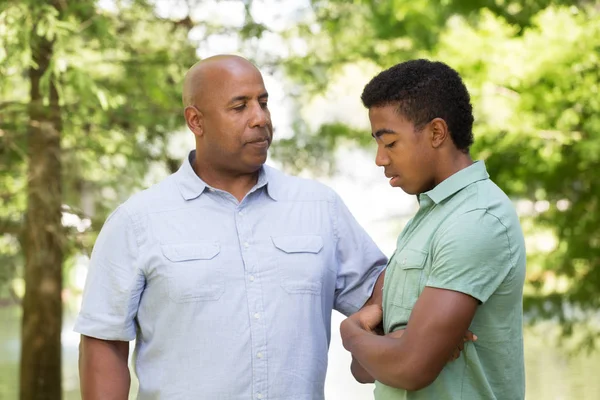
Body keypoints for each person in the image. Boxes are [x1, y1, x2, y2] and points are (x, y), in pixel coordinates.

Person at [74, 54, 388, 399]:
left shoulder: (319, 208)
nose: (260, 119)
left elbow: (383, 294)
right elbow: (104, 343)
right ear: (196, 121)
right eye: (239, 107)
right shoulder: (137, 221)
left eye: (263, 103)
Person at [340, 59, 526, 399]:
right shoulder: (425, 222)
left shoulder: (477, 218)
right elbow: (364, 369)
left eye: (390, 142)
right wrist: (389, 345)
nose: (379, 159)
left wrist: (351, 332)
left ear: (437, 133)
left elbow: (410, 368)